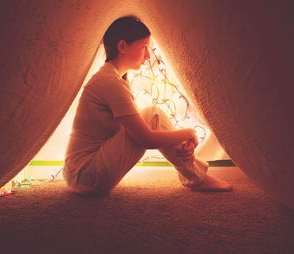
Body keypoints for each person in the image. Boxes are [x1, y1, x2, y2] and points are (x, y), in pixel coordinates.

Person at [63, 16, 232, 195]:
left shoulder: (111, 78)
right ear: (122, 46)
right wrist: (188, 133)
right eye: (144, 47)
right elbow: (146, 140)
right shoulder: (109, 81)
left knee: (152, 115)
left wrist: (182, 137)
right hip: (86, 175)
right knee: (152, 115)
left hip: (81, 174)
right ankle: (197, 177)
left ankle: (195, 175)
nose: (148, 55)